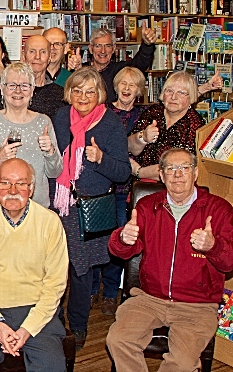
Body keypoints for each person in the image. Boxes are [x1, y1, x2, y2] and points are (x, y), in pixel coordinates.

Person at [106, 148, 233, 372]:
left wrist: (213, 246)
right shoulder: (147, 206)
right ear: (162, 175)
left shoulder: (219, 210)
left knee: (182, 363)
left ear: (195, 173)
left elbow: (229, 262)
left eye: (184, 168)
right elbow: (121, 251)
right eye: (171, 168)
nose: (177, 174)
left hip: (197, 305)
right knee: (118, 340)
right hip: (149, 299)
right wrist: (124, 239)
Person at [0, 158, 69, 371]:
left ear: (32, 188)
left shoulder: (50, 222)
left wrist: (28, 328)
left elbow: (55, 285)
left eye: (21, 183)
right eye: (5, 183)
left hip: (36, 308)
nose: (13, 190)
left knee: (51, 364)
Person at [52, 67, 130, 349]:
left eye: (90, 91)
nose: (83, 96)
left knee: (81, 271)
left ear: (99, 95)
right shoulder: (61, 118)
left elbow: (122, 173)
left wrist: (100, 158)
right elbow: (53, 163)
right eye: (77, 90)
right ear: (69, 92)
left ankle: (80, 326)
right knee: (54, 268)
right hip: (59, 206)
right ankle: (55, 322)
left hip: (88, 208)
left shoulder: (110, 124)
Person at [91, 67, 147, 315]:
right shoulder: (101, 112)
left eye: (132, 85)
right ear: (115, 86)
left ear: (140, 90)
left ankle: (111, 292)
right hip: (102, 186)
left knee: (119, 241)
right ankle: (91, 289)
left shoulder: (144, 116)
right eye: (122, 83)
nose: (126, 88)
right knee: (94, 240)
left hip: (128, 191)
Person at [0, 62, 62, 208]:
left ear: (32, 90)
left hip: (36, 208)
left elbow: (55, 173)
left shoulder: (43, 122)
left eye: (24, 86)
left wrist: (50, 152)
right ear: (2, 90)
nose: (18, 91)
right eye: (11, 85)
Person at [129, 71, 205, 182]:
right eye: (169, 91)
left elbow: (176, 167)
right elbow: (129, 147)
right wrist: (143, 137)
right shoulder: (153, 111)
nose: (173, 97)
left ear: (191, 97)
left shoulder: (195, 124)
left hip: (172, 187)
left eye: (181, 93)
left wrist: (139, 172)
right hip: (139, 185)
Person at [0, 35, 68, 119]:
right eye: (32, 51)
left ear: (49, 58)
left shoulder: (59, 94)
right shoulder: (9, 89)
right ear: (23, 57)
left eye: (43, 52)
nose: (37, 56)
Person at [80, 27, 156, 103]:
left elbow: (140, 64)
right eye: (98, 46)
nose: (103, 51)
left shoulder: (120, 70)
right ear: (90, 49)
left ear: (114, 48)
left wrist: (147, 44)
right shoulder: (81, 70)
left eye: (108, 46)